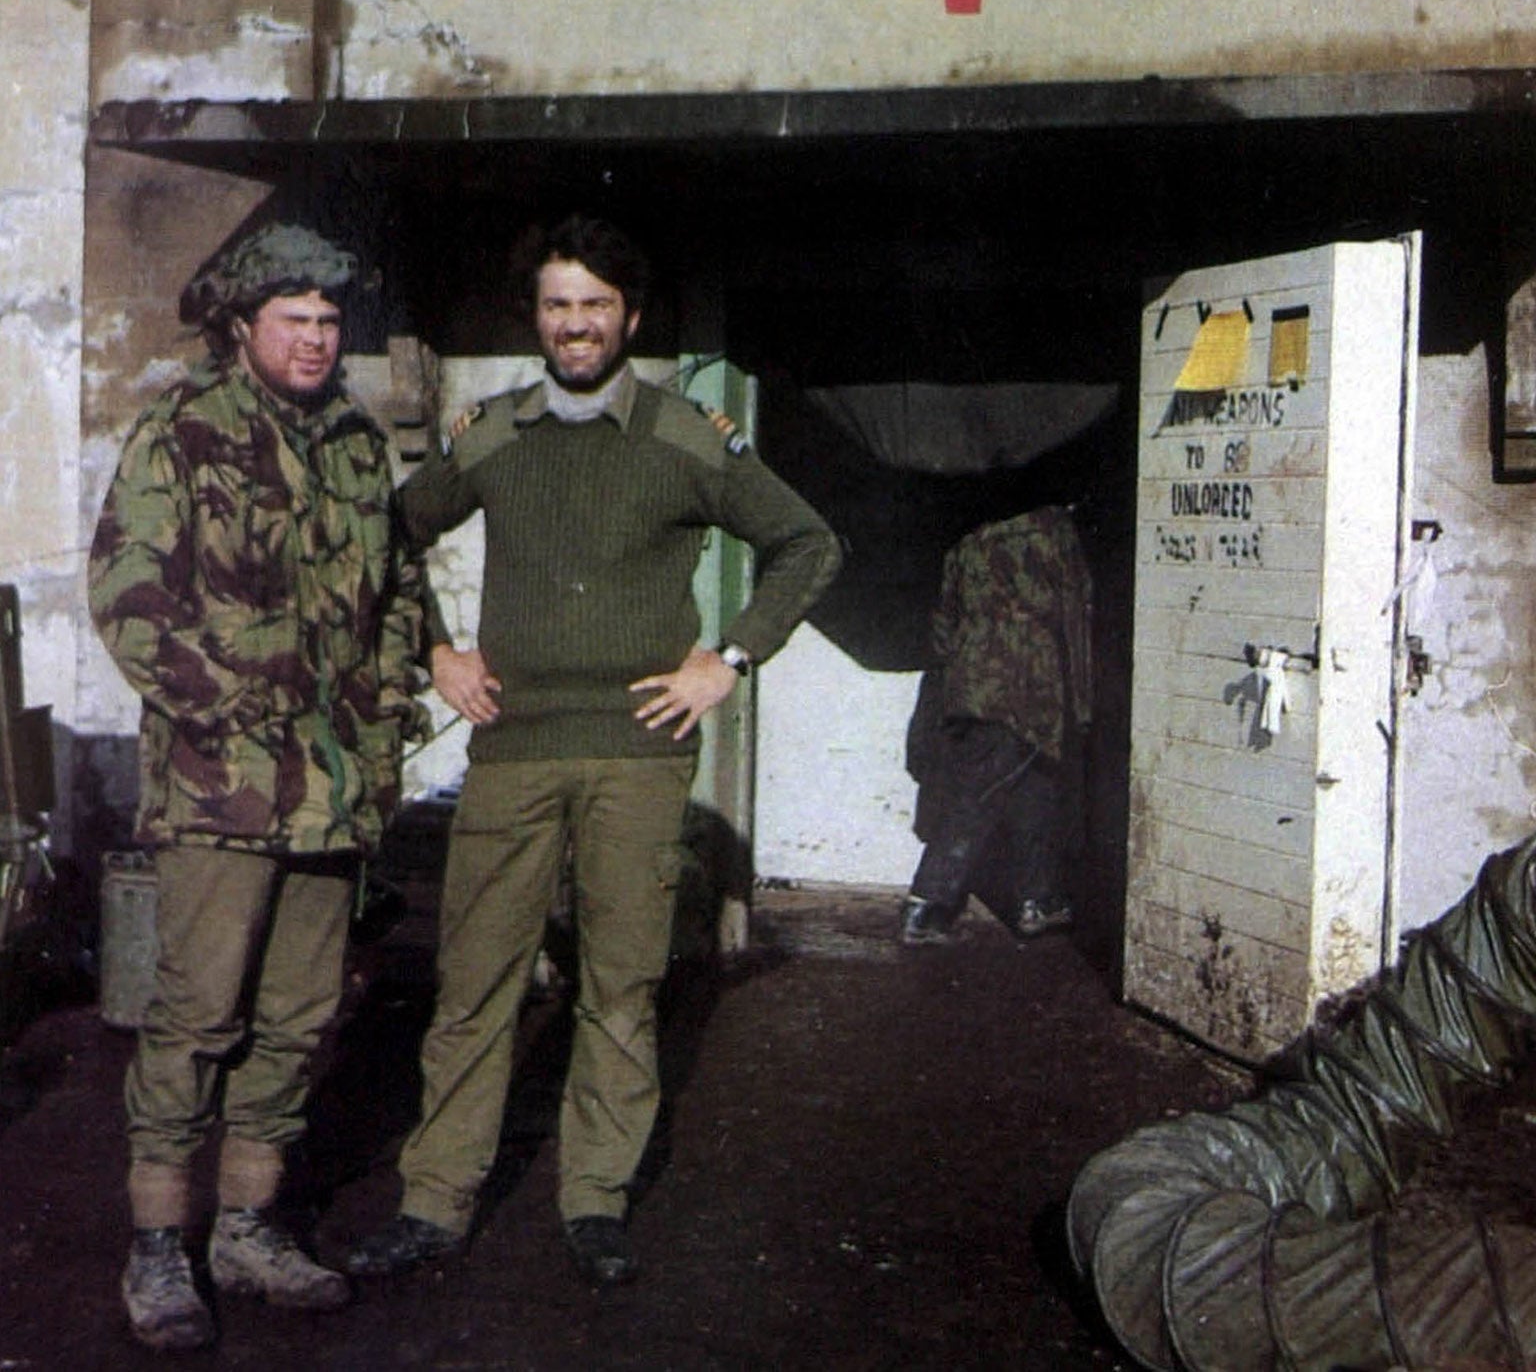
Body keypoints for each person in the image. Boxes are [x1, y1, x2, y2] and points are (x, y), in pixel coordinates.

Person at [347, 214, 841, 1288]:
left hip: (638, 753)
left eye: (596, 305)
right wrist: (434, 648)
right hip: (513, 748)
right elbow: (390, 532)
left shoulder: (686, 436)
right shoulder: (493, 435)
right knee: (474, 979)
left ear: (630, 315)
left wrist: (730, 660)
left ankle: (596, 1199)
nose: (576, 324)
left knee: (618, 985)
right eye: (558, 304)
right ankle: (434, 1203)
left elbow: (809, 542)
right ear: (538, 315)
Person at [88, 224, 430, 1352]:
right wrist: (231, 710)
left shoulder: (356, 445)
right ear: (244, 328)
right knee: (194, 1019)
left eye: (332, 324)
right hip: (221, 792)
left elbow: (399, 600)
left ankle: (247, 1227)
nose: (319, 340)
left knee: (295, 1021)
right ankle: (158, 1248)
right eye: (296, 320)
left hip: (333, 795)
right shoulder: (182, 434)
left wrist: (383, 720)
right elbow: (131, 599)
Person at [898, 505, 1092, 946]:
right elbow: (1077, 615)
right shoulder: (1055, 532)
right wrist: (1082, 703)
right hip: (1032, 685)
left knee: (1034, 792)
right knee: (979, 795)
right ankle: (925, 905)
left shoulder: (969, 538)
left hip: (973, 684)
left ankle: (1037, 901)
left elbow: (942, 631)